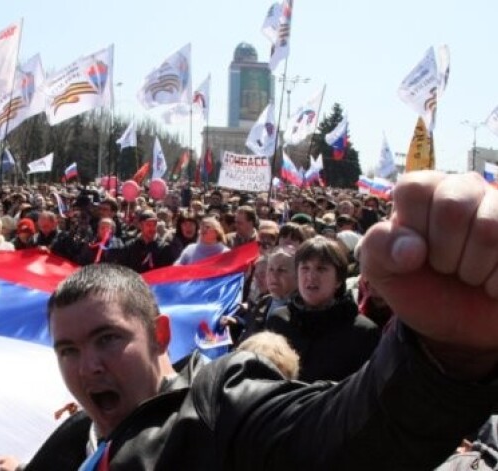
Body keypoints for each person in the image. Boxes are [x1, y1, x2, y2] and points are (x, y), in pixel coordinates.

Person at [26, 171, 498, 470]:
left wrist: (445, 351)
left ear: (159, 335)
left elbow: (342, 437)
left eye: (107, 338)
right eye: (67, 350)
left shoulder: (218, 409)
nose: (87, 366)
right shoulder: (68, 446)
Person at [265, 236, 380, 382]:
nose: (311, 276)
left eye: (321, 269)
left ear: (338, 280)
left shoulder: (362, 331)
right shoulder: (278, 321)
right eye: (305, 268)